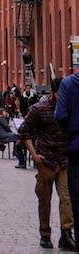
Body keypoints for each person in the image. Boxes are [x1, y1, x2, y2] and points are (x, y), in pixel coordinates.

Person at [19, 79, 76, 251]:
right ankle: (45, 234)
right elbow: (24, 130)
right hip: (46, 160)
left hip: (63, 159)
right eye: (61, 93)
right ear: (53, 92)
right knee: (45, 200)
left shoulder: (69, 107)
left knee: (66, 199)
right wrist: (34, 155)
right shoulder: (39, 108)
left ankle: (66, 233)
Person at [55, 70, 79, 249]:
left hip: (75, 147)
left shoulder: (68, 84)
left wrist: (69, 135)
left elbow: (60, 115)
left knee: (76, 194)